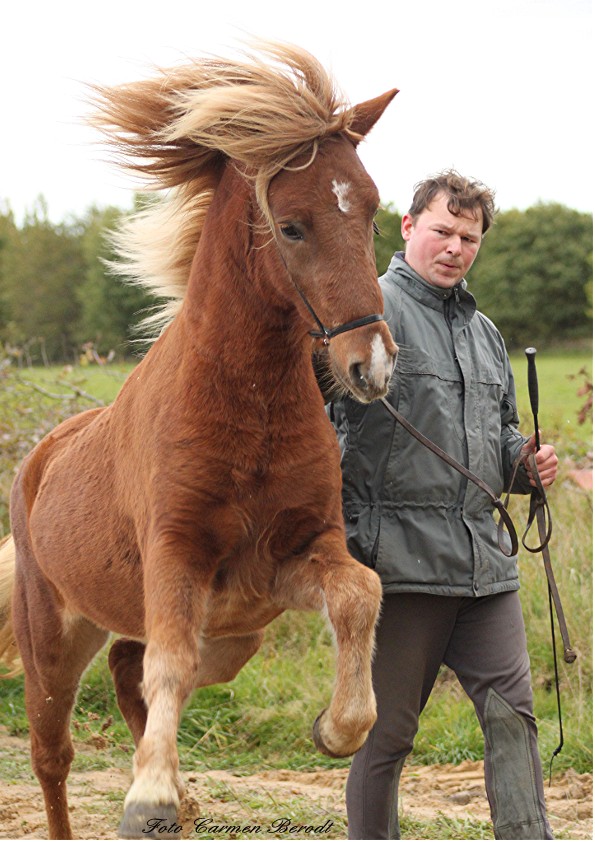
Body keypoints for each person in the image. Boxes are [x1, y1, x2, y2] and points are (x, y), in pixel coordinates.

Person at [326, 170, 558, 839]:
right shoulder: (366, 312)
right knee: (387, 733)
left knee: (513, 719)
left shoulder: (485, 333)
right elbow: (314, 423)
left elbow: (497, 433)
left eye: (468, 236)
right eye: (442, 231)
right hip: (396, 568)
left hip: (484, 566)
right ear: (407, 228)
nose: (454, 247)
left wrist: (524, 462)